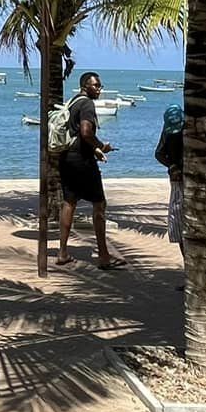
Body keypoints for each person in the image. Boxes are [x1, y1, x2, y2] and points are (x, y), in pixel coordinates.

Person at [57, 71, 124, 268]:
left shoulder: (73, 102)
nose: (99, 89)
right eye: (96, 86)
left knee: (69, 202)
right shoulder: (86, 104)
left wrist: (94, 150)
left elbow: (76, 133)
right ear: (85, 86)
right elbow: (86, 132)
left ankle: (62, 253)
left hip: (67, 157)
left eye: (100, 86)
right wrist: (101, 146)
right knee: (99, 205)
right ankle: (104, 256)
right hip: (81, 161)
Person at [155, 104, 186, 283]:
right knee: (180, 227)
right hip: (178, 182)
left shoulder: (190, 130)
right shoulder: (168, 132)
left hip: (187, 183)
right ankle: (189, 269)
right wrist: (172, 166)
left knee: (183, 227)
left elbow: (159, 153)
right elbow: (158, 154)